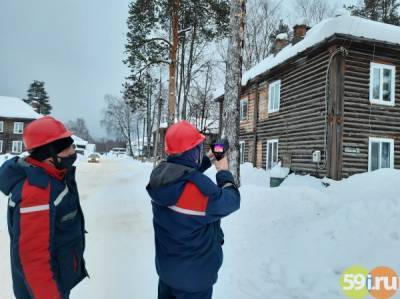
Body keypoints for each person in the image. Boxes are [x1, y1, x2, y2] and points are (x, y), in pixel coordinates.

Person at [146, 120, 241, 299]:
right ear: (193, 152)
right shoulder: (199, 191)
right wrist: (223, 172)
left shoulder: (160, 177)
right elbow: (232, 201)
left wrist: (211, 155)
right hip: (194, 283)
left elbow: (184, 169)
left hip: (167, 274)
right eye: (198, 147)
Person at [0, 116, 88, 299]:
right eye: (68, 147)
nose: (74, 151)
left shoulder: (53, 176)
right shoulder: (37, 194)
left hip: (57, 279)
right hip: (43, 290)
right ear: (49, 155)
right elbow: (33, 261)